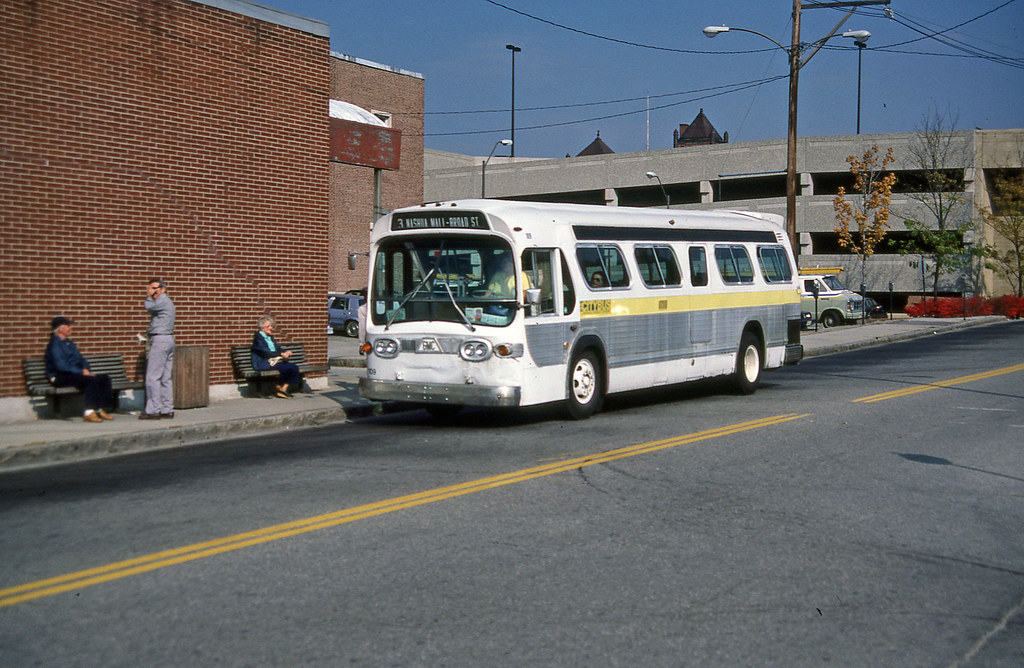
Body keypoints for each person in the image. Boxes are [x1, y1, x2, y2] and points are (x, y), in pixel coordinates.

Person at [44, 316, 115, 422]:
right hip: (60, 376)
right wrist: (81, 372)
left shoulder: (70, 344)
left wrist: (85, 368)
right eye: (68, 326)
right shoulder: (55, 345)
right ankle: (88, 412)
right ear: (60, 329)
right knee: (91, 380)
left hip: (73, 374)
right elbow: (61, 366)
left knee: (104, 378)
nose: (70, 328)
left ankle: (98, 409)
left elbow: (81, 359)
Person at [141, 278, 175, 419]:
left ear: (163, 289)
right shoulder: (165, 302)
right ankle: (167, 408)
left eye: (155, 288)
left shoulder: (161, 301)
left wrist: (149, 296)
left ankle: (153, 409)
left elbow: (148, 307)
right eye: (150, 288)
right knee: (165, 377)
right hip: (167, 339)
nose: (152, 291)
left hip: (160, 339)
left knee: (152, 377)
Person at [251, 316, 302, 398]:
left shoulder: (270, 338)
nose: (271, 328)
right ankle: (280, 388)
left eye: (271, 326)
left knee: (293, 367)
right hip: (264, 363)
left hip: (273, 362)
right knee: (290, 368)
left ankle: (282, 388)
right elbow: (266, 352)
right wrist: (280, 354)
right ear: (262, 328)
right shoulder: (258, 339)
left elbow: (277, 348)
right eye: (268, 326)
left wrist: (285, 352)